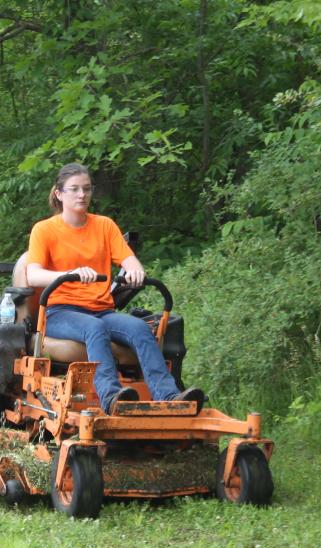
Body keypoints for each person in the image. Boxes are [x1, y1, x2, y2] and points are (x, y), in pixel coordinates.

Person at [26, 162, 204, 415]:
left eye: (86, 189)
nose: (81, 195)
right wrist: (71, 274)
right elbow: (32, 275)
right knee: (94, 328)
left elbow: (129, 260)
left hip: (101, 310)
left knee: (141, 328)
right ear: (59, 193)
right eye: (74, 189)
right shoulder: (44, 230)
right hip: (60, 312)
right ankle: (111, 396)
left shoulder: (105, 225)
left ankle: (169, 396)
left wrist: (135, 270)